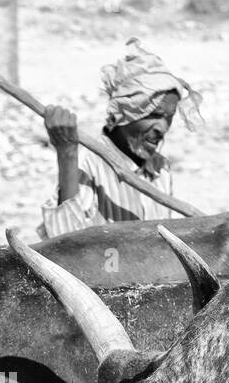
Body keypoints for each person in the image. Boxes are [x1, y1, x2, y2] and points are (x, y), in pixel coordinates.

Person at [39, 38, 202, 238]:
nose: (162, 128)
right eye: (154, 115)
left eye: (169, 117)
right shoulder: (88, 164)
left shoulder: (160, 169)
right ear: (125, 113)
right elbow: (64, 242)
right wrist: (66, 154)